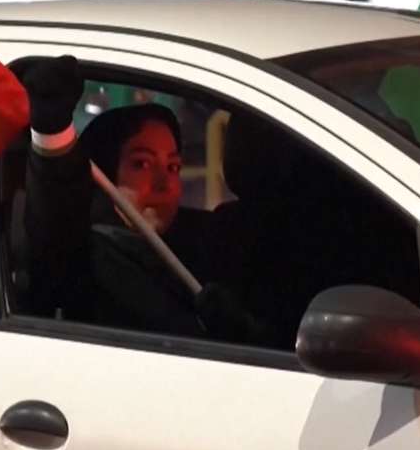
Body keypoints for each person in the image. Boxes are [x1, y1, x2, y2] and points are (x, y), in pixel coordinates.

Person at [19, 55, 268, 343]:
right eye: (142, 164)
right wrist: (51, 130)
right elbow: (55, 217)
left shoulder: (213, 244)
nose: (164, 183)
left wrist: (245, 332)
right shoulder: (85, 259)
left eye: (173, 167)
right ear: (104, 172)